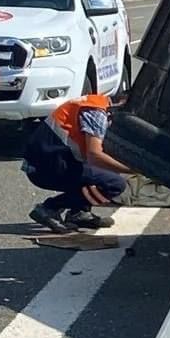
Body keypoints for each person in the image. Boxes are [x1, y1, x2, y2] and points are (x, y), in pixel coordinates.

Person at [23, 92, 131, 234]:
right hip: (47, 168)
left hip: (47, 161)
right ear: (123, 103)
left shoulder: (94, 102)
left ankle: (79, 213)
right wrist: (133, 169)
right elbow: (95, 156)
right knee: (114, 184)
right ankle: (50, 208)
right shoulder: (96, 112)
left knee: (102, 173)